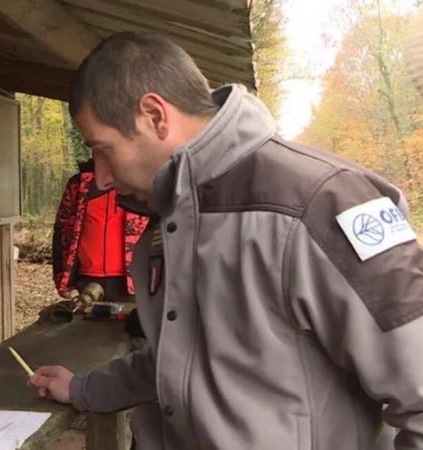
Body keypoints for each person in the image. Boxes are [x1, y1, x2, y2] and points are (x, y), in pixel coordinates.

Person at [28, 31, 423, 449]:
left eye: (103, 149)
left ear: (154, 115)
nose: (101, 178)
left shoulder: (321, 204)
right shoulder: (170, 219)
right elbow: (182, 361)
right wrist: (83, 390)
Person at [53, 158, 148, 302]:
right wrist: (61, 277)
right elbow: (61, 230)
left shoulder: (141, 183)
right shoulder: (79, 185)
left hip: (132, 283)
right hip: (85, 280)